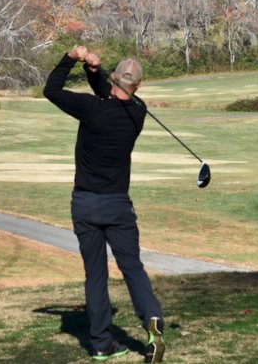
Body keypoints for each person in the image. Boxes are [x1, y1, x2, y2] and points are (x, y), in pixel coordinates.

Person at [43, 45, 165, 363]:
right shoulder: (138, 112)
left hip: (85, 203)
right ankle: (151, 317)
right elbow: (114, 96)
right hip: (118, 206)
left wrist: (72, 58)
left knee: (95, 275)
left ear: (115, 79)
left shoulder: (90, 108)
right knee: (132, 268)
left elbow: (51, 89)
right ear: (137, 86)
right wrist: (93, 71)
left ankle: (100, 344)